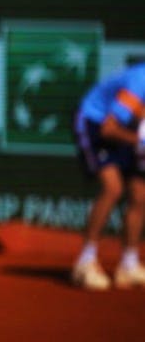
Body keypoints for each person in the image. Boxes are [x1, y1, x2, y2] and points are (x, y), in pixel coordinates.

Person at [71, 63, 145, 291]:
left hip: (128, 130)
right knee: (113, 188)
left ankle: (129, 265)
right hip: (95, 123)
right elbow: (108, 129)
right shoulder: (140, 82)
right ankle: (85, 262)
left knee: (141, 194)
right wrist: (141, 142)